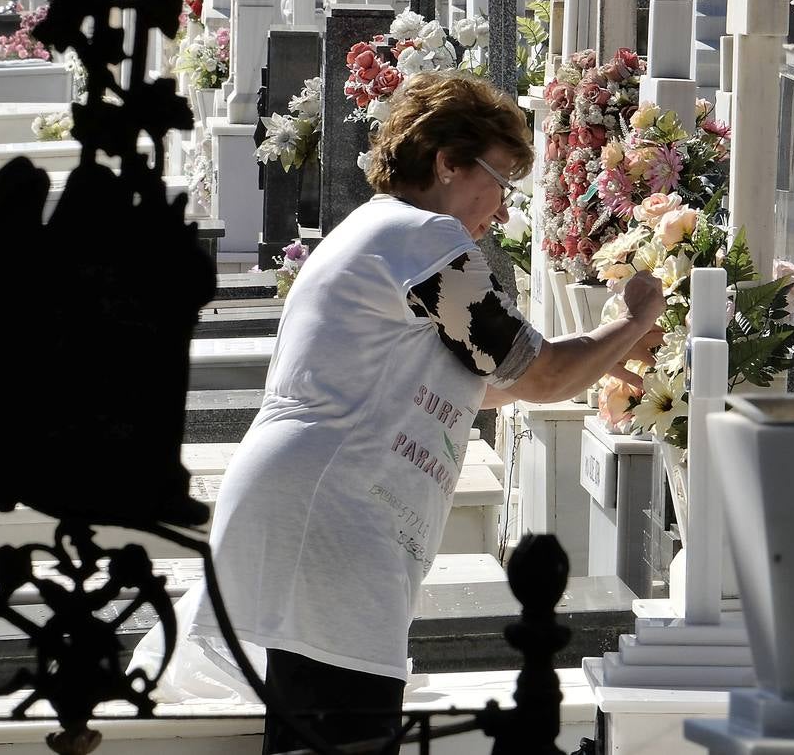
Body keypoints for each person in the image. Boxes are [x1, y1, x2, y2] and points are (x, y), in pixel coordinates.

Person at [181, 71, 665, 754]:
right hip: (332, 515)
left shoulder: (382, 233)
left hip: (317, 505)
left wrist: (601, 356)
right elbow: (538, 371)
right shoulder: (420, 239)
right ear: (447, 162)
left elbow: (482, 386)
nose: (500, 210)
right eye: (499, 180)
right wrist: (635, 318)